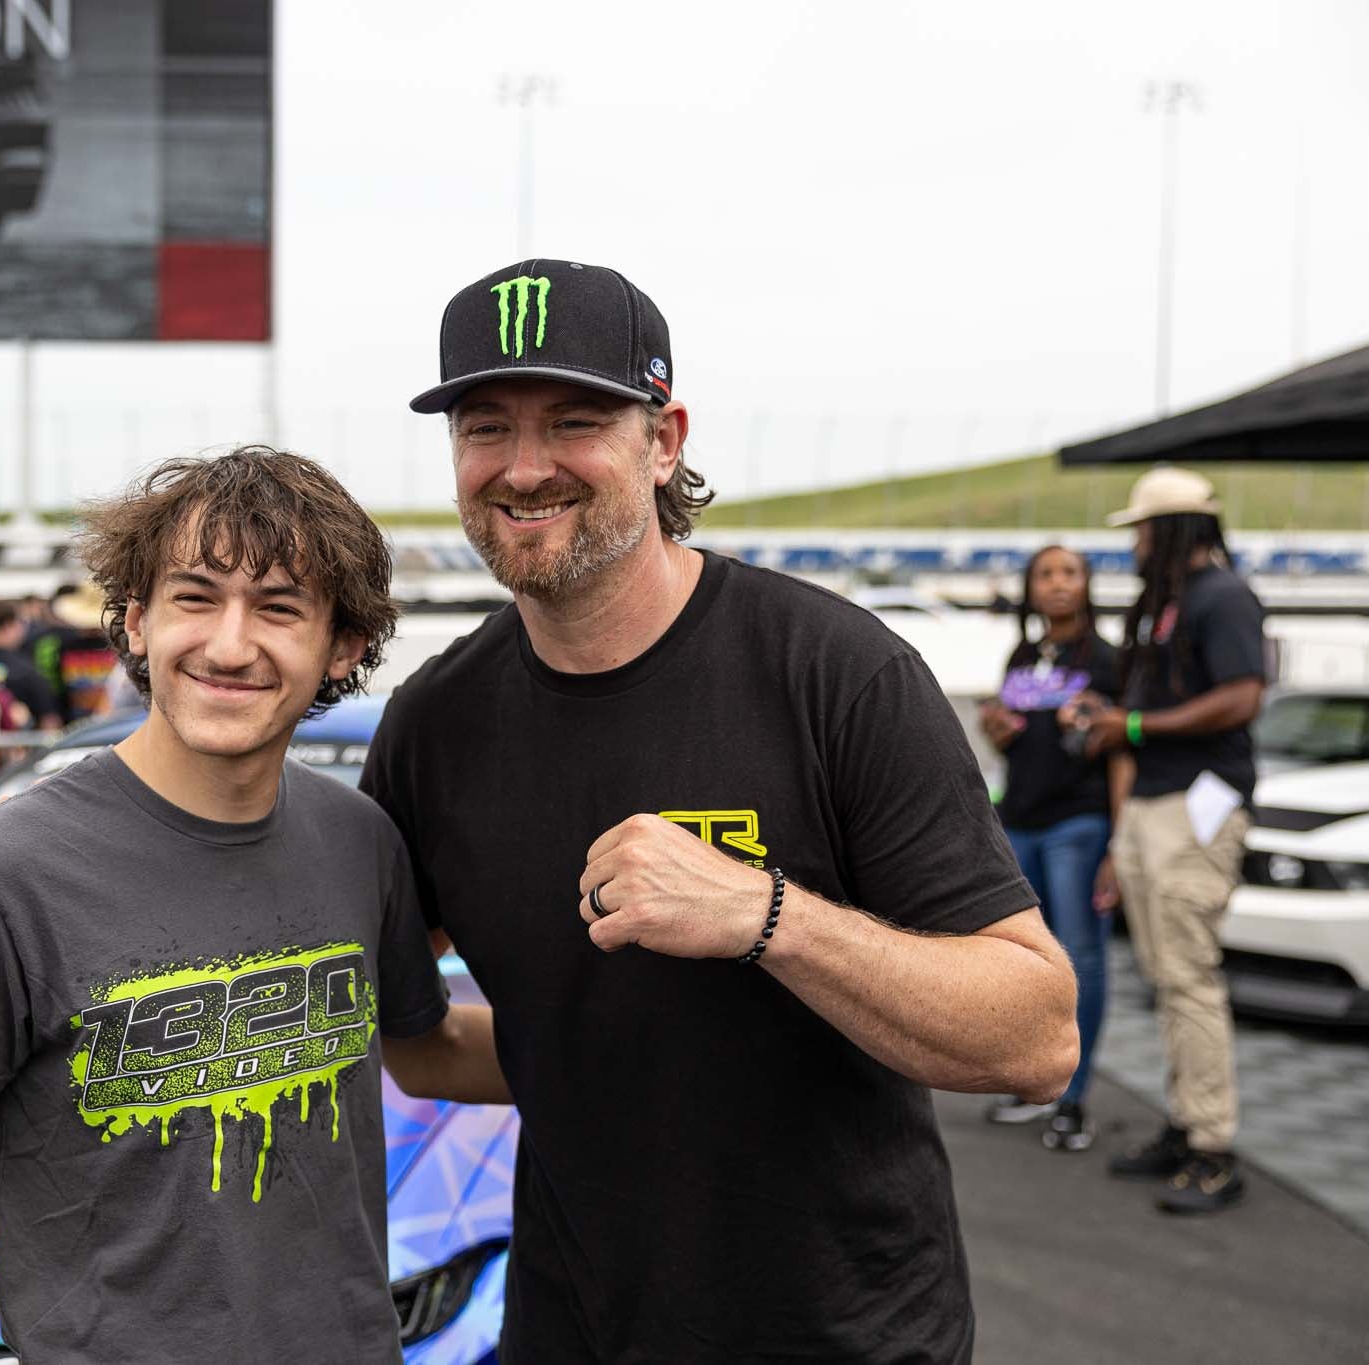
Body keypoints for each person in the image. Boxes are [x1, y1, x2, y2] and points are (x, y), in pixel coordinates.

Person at [363, 259, 1077, 1363]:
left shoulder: (836, 674)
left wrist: (767, 916)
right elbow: (416, 1050)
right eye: (484, 426)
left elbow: (1035, 1036)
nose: (522, 466)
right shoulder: (432, 722)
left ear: (663, 440)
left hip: (842, 1336)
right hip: (569, 1332)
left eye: (574, 421)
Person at [0, 448, 507, 1364]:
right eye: (195, 597)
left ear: (345, 646)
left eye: (279, 607)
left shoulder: (362, 842)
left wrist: (665, 1055)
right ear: (135, 623)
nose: (229, 643)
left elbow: (430, 1049)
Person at [1061, 467, 1265, 1215]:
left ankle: (1212, 1144)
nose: (1136, 544)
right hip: (1153, 802)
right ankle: (1186, 1125)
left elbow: (1245, 696)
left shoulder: (1224, 597)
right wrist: (1111, 716)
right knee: (1166, 973)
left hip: (1196, 802)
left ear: (1176, 528)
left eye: (1143, 530)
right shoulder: (1167, 606)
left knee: (1189, 975)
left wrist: (1136, 725)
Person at [978, 546, 1130, 1151]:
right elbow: (1012, 740)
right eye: (1046, 575)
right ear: (1031, 588)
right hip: (1020, 822)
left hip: (1080, 826)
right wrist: (997, 729)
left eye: (1070, 573)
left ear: (1087, 585)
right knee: (1021, 958)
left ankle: (1074, 1097)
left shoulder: (1110, 661)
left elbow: (1123, 753)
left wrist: (1119, 845)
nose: (1058, 584)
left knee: (1081, 960)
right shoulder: (1021, 654)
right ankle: (1032, 1081)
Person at [27, 581, 124, 721]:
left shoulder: (61, 645)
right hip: (110, 722)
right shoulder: (118, 646)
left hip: (78, 722)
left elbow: (54, 686)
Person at [0, 600, 61, 732]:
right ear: (8, 625)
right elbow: (49, 720)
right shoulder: (27, 670)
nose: (23, 629)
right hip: (21, 744)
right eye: (21, 623)